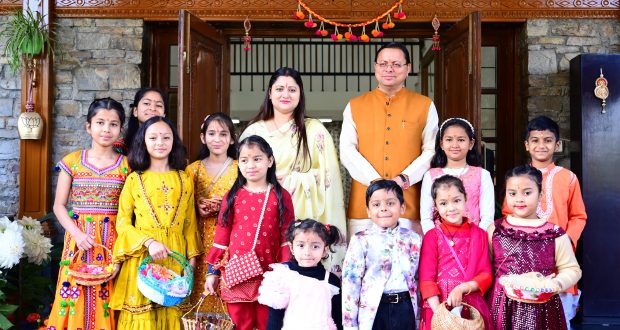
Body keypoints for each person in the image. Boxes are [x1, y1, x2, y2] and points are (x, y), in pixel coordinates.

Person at [240, 67, 347, 275]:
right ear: (270, 93)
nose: (285, 94)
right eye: (279, 89)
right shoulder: (253, 131)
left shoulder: (314, 130)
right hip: (260, 215)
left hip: (301, 220)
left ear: (300, 94)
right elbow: (241, 177)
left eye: (292, 89)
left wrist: (291, 180)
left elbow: (328, 177)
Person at [110, 116, 203, 329]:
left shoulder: (184, 178)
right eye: (153, 137)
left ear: (174, 141)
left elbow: (190, 223)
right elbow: (123, 223)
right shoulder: (135, 179)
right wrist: (149, 242)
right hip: (145, 257)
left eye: (165, 137)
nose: (160, 142)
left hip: (175, 257)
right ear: (143, 142)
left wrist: (191, 261)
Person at [340, 42, 438, 238]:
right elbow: (347, 151)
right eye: (383, 64)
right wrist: (376, 181)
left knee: (409, 266)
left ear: (408, 68)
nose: (389, 69)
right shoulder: (355, 106)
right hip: (364, 207)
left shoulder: (425, 105)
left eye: (396, 64)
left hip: (408, 206)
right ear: (375, 67)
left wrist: (403, 179)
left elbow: (431, 150)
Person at [48, 98, 128, 330]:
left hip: (112, 243)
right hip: (78, 242)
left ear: (120, 129)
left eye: (113, 124)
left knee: (108, 295)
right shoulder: (72, 162)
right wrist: (77, 234)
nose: (106, 129)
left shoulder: (126, 166)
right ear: (88, 126)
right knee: (74, 295)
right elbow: (59, 206)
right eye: (100, 122)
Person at [501, 115, 586, 325]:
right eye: (535, 140)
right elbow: (507, 213)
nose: (541, 145)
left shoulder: (568, 178)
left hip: (557, 257)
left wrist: (567, 240)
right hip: (525, 256)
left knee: (559, 316)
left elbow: (578, 216)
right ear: (527, 145)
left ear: (557, 145)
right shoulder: (518, 178)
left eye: (547, 140)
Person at [203, 135, 295, 330]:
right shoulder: (233, 195)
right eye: (244, 160)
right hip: (237, 275)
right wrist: (212, 272)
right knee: (239, 325)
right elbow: (221, 237)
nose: (250, 165)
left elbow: (287, 238)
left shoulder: (281, 195)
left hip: (270, 276)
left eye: (257, 159)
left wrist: (287, 271)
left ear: (270, 161)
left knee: (268, 325)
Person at [488, 165, 582, 330]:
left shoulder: (554, 233)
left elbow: (572, 269)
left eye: (527, 192)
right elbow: (485, 267)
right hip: (501, 305)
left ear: (540, 195)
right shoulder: (495, 230)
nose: (519, 199)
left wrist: (556, 284)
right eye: (512, 193)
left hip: (544, 309)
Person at [342, 180, 421, 330]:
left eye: (390, 203)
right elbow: (351, 284)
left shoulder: (413, 239)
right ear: (368, 211)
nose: (383, 208)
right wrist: (350, 325)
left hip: (405, 308)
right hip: (374, 310)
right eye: (376, 205)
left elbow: (417, 278)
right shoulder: (360, 240)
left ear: (402, 207)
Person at [419, 175, 492, 329]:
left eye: (456, 201)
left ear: (465, 199)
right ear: (436, 206)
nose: (451, 208)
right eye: (444, 203)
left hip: (471, 307)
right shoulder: (432, 236)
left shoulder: (479, 234)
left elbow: (485, 275)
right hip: (438, 307)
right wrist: (441, 314)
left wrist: (461, 289)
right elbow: (426, 280)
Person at [184, 113, 238, 314]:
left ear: (232, 139)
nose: (217, 139)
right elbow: (183, 207)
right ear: (203, 137)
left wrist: (225, 206)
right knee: (198, 298)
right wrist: (197, 207)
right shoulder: (192, 170)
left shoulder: (240, 169)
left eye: (223, 134)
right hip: (199, 240)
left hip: (228, 244)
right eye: (212, 133)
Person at [258, 219, 343, 330]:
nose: (307, 252)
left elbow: (337, 318)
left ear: (325, 250)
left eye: (315, 246)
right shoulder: (282, 276)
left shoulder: (331, 280)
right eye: (301, 246)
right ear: (292, 248)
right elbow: (275, 319)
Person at [420, 117, 495, 234]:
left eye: (461, 140)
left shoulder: (483, 175)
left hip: (474, 241)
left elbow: (487, 217)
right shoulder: (431, 176)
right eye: (449, 140)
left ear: (471, 143)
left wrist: (476, 239)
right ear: (441, 144)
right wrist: (436, 240)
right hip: (440, 242)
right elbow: (426, 218)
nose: (455, 144)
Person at [114, 87, 167, 154]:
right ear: (135, 111)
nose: (153, 108)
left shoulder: (169, 146)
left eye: (158, 105)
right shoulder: (121, 148)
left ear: (164, 114)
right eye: (146, 103)